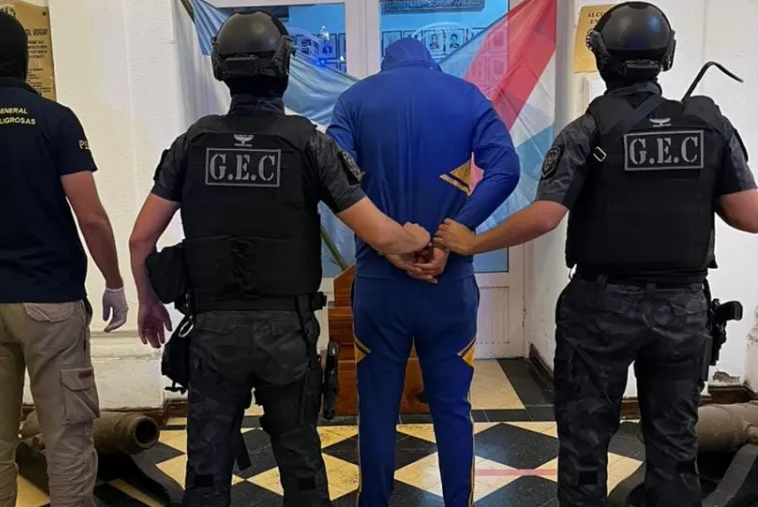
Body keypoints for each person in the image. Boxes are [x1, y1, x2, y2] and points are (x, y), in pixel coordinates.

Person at [433, 3, 758, 506]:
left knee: (585, 443)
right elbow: (748, 214)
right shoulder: (710, 127)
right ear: (667, 56)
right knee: (675, 445)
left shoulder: (588, 131)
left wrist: (472, 242)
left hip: (600, 310)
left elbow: (545, 216)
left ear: (603, 59)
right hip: (683, 311)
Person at [127, 10, 431, 507]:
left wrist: (148, 302)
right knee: (300, 459)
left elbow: (141, 240)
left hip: (212, 332)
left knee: (205, 468)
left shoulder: (191, 145)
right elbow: (380, 234)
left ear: (221, 69)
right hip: (286, 333)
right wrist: (411, 238)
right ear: (284, 67)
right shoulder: (309, 143)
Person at [0, 10, 128, 506]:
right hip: (50, 301)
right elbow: (91, 217)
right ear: (23, 58)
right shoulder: (55, 120)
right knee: (67, 440)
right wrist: (114, 282)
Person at [326, 37, 520, 507]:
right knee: (452, 408)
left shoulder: (354, 101)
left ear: (385, 65)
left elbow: (331, 176)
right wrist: (457, 232)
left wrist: (387, 241)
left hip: (379, 283)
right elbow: (506, 168)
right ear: (431, 63)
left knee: (376, 409)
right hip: (448, 282)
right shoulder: (468, 97)